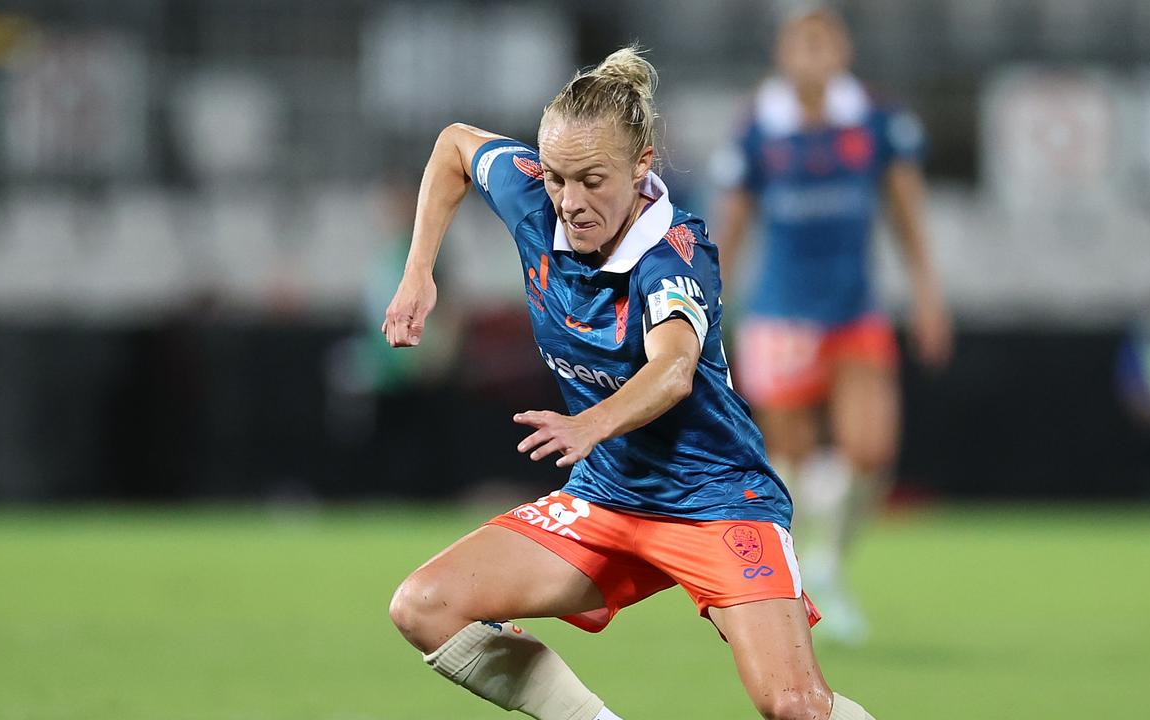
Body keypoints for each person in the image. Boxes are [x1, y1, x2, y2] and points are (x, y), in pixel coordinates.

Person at [383, 47, 879, 720]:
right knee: (424, 606)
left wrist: (590, 425)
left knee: (793, 706)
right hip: (609, 500)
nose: (569, 202)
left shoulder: (673, 252)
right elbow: (454, 148)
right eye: (557, 178)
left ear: (642, 165)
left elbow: (673, 371)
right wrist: (420, 271)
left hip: (717, 496)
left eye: (592, 180)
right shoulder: (534, 195)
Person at [712, 8, 951, 644]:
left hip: (854, 310)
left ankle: (827, 563)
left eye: (825, 40)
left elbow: (907, 216)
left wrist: (928, 295)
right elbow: (732, 226)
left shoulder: (877, 121)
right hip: (780, 316)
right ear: (782, 52)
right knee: (788, 463)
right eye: (802, 41)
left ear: (843, 49)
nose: (814, 53)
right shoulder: (757, 128)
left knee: (870, 452)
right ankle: (789, 586)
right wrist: (710, 308)